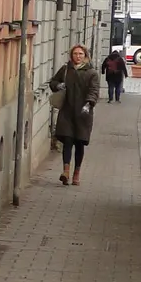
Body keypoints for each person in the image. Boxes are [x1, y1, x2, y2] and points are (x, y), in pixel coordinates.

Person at [50, 45, 100, 186]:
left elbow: (94, 90)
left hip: (83, 114)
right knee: (67, 141)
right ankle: (65, 171)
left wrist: (89, 103)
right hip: (67, 111)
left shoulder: (91, 73)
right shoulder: (66, 70)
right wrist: (58, 85)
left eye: (80, 54)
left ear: (85, 55)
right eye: (75, 53)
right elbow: (53, 82)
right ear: (71, 55)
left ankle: (76, 173)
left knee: (79, 144)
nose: (77, 56)